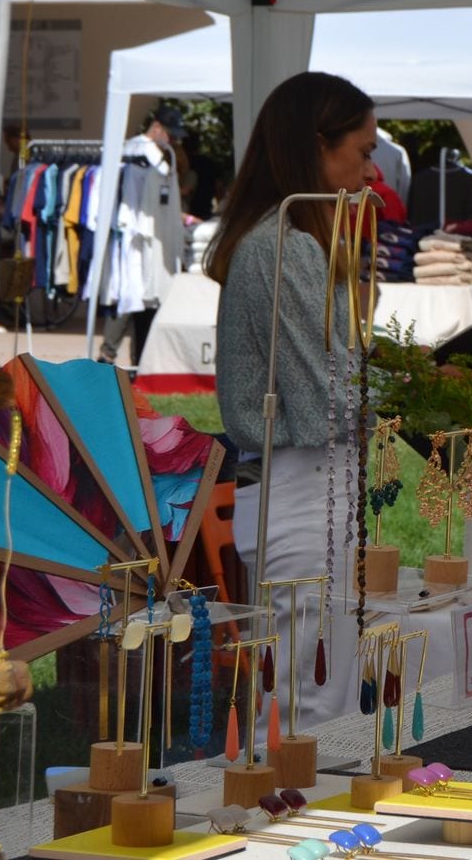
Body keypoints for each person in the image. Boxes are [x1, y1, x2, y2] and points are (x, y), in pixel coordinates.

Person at [207, 71, 379, 728]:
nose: (370, 172)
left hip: (311, 482)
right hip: (296, 482)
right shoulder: (281, 243)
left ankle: (301, 820)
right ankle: (288, 826)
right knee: (304, 703)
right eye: (361, 151)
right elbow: (324, 394)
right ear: (315, 146)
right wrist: (420, 395)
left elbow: (332, 379)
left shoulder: (294, 240)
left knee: (315, 694)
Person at [101, 105, 189, 365]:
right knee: (133, 295)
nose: (172, 140)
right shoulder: (146, 152)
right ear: (158, 127)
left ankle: (132, 356)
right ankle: (115, 354)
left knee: (141, 296)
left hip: (142, 233)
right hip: (138, 235)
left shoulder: (136, 149)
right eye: (169, 134)